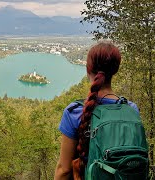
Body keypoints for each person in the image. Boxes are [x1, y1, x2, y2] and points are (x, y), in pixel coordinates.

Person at [54, 42, 139, 180]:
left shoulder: (75, 112)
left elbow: (64, 170)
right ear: (115, 70)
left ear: (88, 70)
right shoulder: (131, 109)